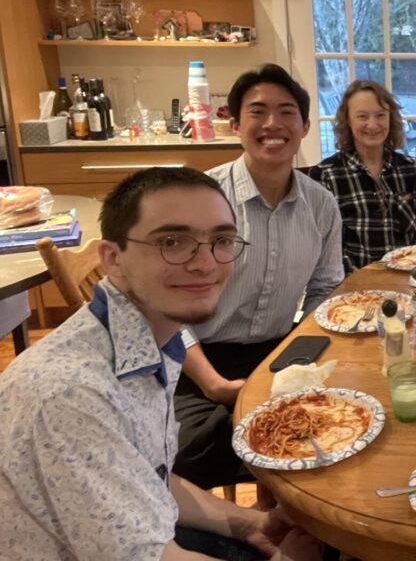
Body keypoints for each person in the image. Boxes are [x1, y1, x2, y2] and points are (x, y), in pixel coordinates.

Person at [0, 167, 322, 560]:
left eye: (221, 240)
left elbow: (151, 478)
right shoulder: (72, 395)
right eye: (173, 241)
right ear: (113, 258)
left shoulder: (152, 343)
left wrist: (248, 522)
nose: (205, 264)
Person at [174, 64, 345, 490]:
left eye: (287, 112)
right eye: (257, 112)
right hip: (195, 360)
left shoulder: (321, 205)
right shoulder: (201, 199)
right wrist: (214, 384)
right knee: (191, 446)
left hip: (275, 352)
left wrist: (298, 356)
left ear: (305, 126)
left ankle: (297, 525)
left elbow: (324, 289)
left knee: (335, 429)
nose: (273, 124)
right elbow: (167, 307)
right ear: (233, 123)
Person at [309, 79, 416, 273]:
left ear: (391, 119)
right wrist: (357, 275)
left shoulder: (413, 169)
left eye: (380, 115)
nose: (372, 124)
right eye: (362, 116)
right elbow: (324, 247)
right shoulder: (326, 175)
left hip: (408, 277)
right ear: (347, 121)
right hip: (354, 283)